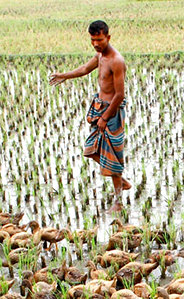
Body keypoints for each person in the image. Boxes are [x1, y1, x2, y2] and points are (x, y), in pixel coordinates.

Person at [50, 20, 129, 211]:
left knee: (112, 155)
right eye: (93, 40)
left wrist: (105, 118)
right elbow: (85, 69)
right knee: (91, 149)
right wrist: (64, 75)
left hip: (111, 112)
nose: (96, 44)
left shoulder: (116, 61)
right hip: (99, 108)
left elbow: (119, 94)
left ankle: (118, 201)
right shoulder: (100, 56)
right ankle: (122, 181)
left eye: (99, 40)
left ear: (108, 37)